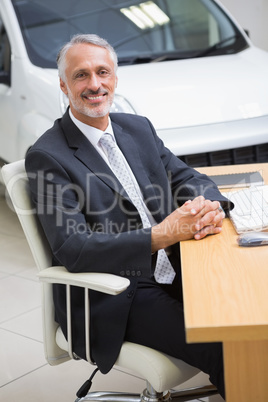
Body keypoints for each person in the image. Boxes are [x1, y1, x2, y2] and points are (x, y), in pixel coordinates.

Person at [25, 34, 231, 399]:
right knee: (226, 349)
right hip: (117, 294)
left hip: (176, 267)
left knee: (245, 319)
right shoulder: (48, 156)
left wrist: (208, 206)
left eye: (103, 72)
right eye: (81, 75)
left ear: (115, 78)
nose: (95, 84)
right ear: (63, 85)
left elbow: (187, 178)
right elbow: (74, 247)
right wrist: (162, 235)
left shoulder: (137, 128)